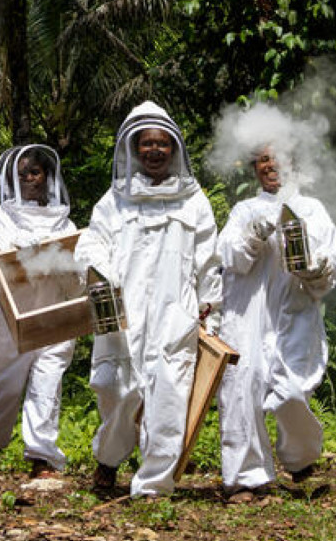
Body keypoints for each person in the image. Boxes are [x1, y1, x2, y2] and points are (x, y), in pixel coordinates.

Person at [74, 101, 222, 497]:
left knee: (168, 395)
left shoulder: (194, 201)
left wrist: (212, 309)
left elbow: (210, 260)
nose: (154, 151)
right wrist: (95, 268)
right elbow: (93, 241)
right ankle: (109, 457)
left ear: (174, 149)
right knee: (115, 390)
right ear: (134, 149)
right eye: (146, 144)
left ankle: (154, 486)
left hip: (176, 313)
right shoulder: (115, 200)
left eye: (162, 144)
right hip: (123, 313)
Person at [215, 146, 336, 500]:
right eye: (262, 160)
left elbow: (332, 258)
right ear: (255, 167)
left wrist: (319, 269)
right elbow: (228, 256)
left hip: (294, 313)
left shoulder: (312, 209)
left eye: (278, 157)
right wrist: (253, 235)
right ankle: (245, 479)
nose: (270, 166)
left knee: (291, 391)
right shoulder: (244, 210)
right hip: (248, 315)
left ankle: (299, 459)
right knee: (242, 391)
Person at [0, 145, 77, 479]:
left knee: (48, 382)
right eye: (22, 173)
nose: (29, 179)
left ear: (47, 177)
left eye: (35, 172)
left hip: (52, 314)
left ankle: (41, 459)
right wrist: (4, 252)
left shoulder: (64, 221)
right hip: (3, 319)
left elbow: (79, 262)